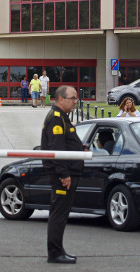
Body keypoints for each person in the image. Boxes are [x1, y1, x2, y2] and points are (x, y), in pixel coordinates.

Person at [42, 85, 84, 264]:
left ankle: (58, 250)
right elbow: (56, 149)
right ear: (61, 99)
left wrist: (80, 149)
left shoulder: (62, 117)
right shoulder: (56, 118)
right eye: (73, 98)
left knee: (61, 214)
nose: (76, 101)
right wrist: (64, 174)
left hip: (67, 172)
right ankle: (55, 253)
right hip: (63, 176)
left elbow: (64, 144)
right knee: (58, 215)